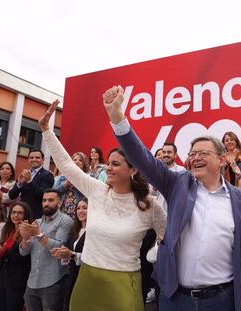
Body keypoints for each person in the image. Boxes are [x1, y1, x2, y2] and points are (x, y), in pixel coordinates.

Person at [103, 86, 241, 311]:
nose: (196, 158)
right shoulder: (177, 184)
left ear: (222, 160)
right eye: (192, 154)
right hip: (175, 298)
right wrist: (117, 116)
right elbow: (142, 158)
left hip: (222, 299)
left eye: (203, 153)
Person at [39, 99, 167, 311]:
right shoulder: (97, 190)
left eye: (115, 164)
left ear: (133, 170)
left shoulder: (150, 205)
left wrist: (161, 246)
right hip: (87, 279)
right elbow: (67, 165)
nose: (108, 168)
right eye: (108, 163)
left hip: (124, 284)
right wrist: (46, 130)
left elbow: (169, 238)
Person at [19, 189, 74, 311]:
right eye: (44, 200)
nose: (46, 203)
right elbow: (24, 252)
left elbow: (60, 247)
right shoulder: (37, 222)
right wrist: (25, 237)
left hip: (54, 281)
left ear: (59, 203)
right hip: (32, 282)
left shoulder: (65, 220)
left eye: (50, 200)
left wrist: (38, 235)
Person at [0, 202, 34, 311]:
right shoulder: (7, 230)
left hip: (18, 281)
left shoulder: (29, 231)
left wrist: (3, 252)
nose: (16, 215)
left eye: (20, 213)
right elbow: (3, 256)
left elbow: (24, 258)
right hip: (2, 279)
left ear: (26, 215)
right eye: (13, 212)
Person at [51, 198, 87, 311]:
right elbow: (70, 253)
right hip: (72, 277)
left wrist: (72, 255)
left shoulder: (95, 231)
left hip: (86, 278)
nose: (81, 211)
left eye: (85, 208)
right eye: (78, 208)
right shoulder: (75, 231)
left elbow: (93, 256)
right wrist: (62, 253)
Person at [8, 149, 55, 219]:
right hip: (22, 213)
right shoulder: (25, 173)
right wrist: (19, 184)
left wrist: (29, 181)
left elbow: (44, 195)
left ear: (43, 160)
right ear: (28, 160)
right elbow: (11, 196)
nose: (34, 159)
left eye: (37, 158)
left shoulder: (47, 175)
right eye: (31, 158)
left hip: (36, 215)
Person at [54, 152, 89, 219]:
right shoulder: (62, 177)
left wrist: (76, 184)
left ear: (84, 164)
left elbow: (88, 194)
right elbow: (54, 193)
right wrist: (64, 186)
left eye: (80, 160)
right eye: (75, 160)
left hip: (78, 212)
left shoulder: (88, 177)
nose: (77, 162)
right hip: (61, 210)